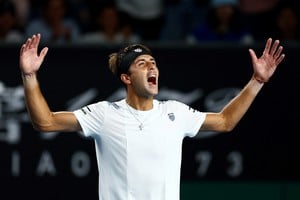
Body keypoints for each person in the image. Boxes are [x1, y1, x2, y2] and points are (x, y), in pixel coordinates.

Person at [19, 33, 285, 200]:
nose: (152, 67)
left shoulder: (176, 112)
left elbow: (226, 121)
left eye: (153, 63)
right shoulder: (103, 114)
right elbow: (45, 122)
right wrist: (29, 76)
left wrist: (257, 81)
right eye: (142, 64)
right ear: (126, 78)